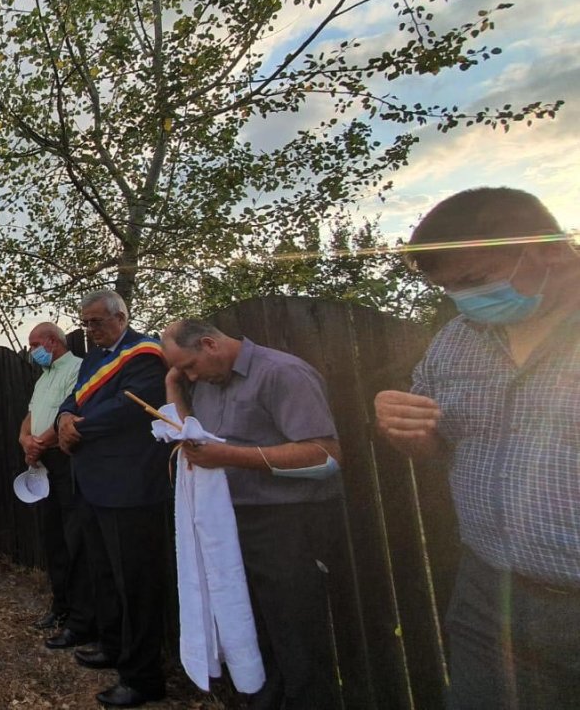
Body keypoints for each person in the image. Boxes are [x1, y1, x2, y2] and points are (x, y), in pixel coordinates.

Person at [374, 187, 580, 710]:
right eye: (448, 289)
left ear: (551, 248)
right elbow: (432, 442)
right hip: (490, 593)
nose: (464, 299)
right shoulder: (457, 339)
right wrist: (405, 430)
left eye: (474, 280)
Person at [162, 318, 344, 710]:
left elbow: (325, 455)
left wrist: (229, 456)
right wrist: (173, 386)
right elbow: (189, 435)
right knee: (250, 626)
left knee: (294, 632)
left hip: (286, 523)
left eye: (189, 366)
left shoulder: (282, 372)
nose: (190, 375)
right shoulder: (206, 383)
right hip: (231, 522)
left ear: (210, 344)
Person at [56, 290, 170, 708]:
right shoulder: (94, 357)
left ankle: (142, 677)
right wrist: (65, 417)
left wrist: (75, 428)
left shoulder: (144, 354)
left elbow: (132, 408)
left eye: (97, 322)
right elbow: (74, 397)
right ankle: (112, 645)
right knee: (102, 572)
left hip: (129, 487)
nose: (89, 330)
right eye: (85, 322)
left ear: (121, 317)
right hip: (92, 482)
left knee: (135, 583)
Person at [18, 323, 96, 653]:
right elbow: (31, 415)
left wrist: (39, 444)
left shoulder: (77, 368)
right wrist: (25, 440)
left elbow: (70, 412)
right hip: (42, 463)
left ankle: (81, 621)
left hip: (67, 462)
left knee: (74, 540)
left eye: (35, 343)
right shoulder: (43, 376)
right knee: (54, 540)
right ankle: (60, 607)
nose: (32, 350)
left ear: (53, 342)